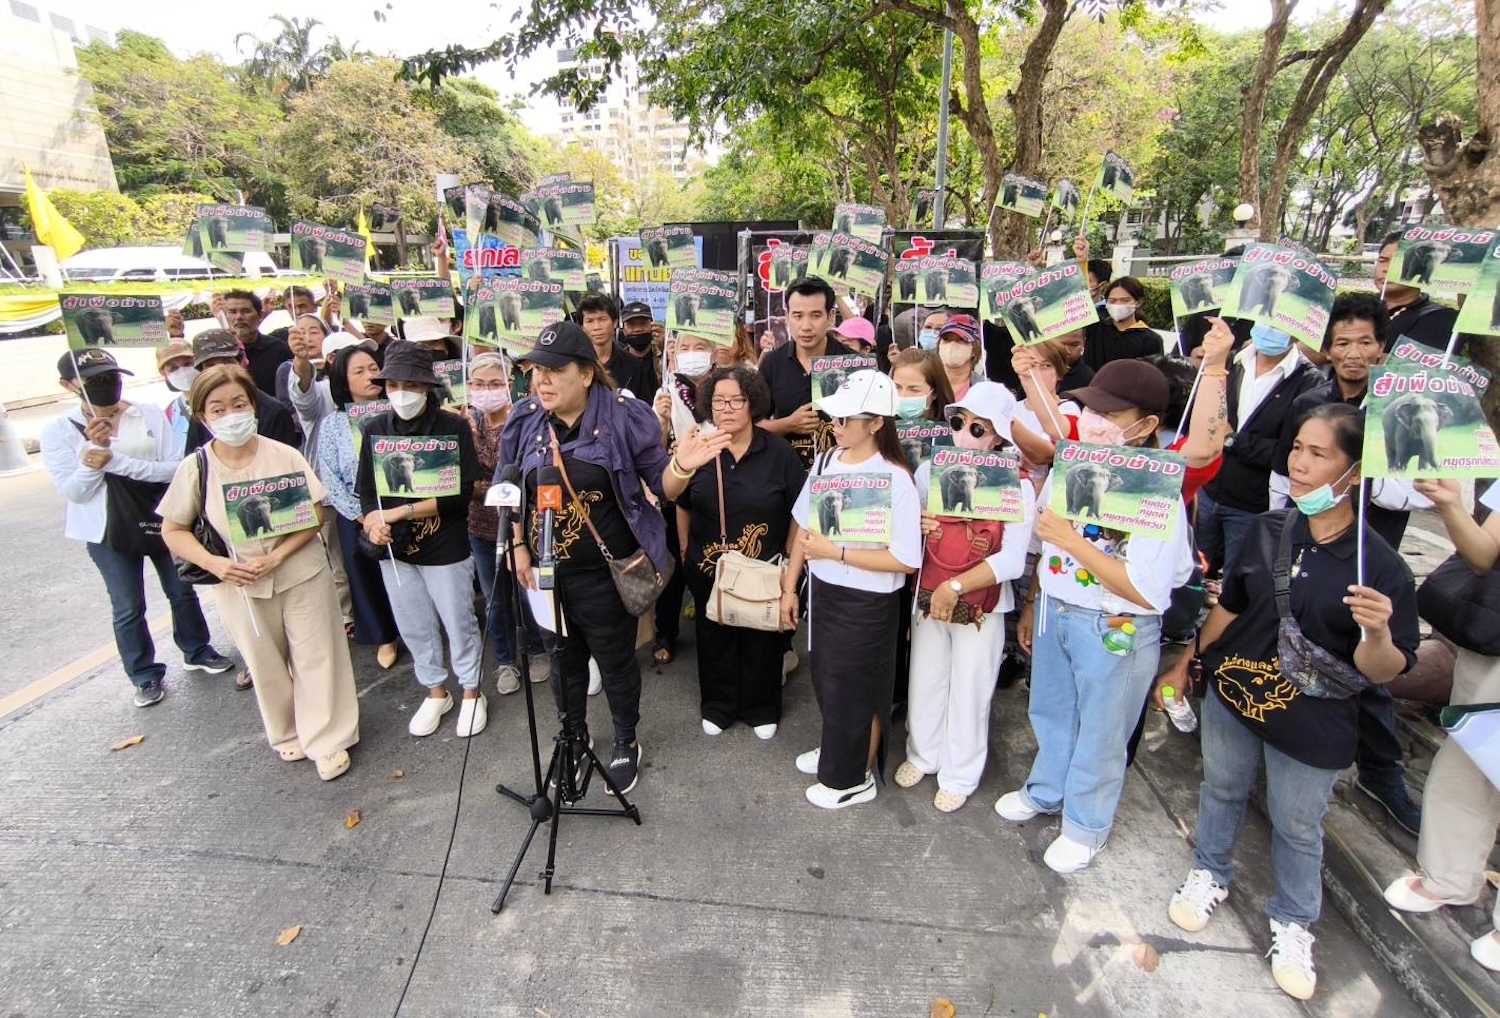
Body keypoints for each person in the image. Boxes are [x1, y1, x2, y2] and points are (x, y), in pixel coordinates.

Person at [1162, 404, 1419, 1001]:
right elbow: (1230, 608)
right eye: (1297, 448)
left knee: (1299, 824)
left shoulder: (1379, 566)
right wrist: (1185, 662)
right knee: (1221, 787)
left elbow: (1383, 670)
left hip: (1314, 719)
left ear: (1353, 472)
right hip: (1235, 693)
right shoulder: (1268, 529)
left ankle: (1294, 921)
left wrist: (1377, 632)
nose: (1299, 465)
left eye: (1318, 454)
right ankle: (1209, 871)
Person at [998, 359, 1195, 872]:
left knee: (1103, 731)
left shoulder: (1157, 492)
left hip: (1114, 626)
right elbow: (1047, 546)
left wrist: (1071, 543)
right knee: (1052, 712)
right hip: (1058, 610)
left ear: (1147, 424)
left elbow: (1148, 591)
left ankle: (1087, 825)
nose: (1094, 421)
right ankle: (1047, 790)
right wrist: (1035, 601)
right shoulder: (1075, 467)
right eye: (1088, 409)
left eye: (1111, 413)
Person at [158, 364, 358, 779]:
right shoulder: (196, 468)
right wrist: (216, 564)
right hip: (240, 584)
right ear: (202, 416)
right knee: (265, 662)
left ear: (252, 406)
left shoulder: (283, 454)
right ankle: (287, 734)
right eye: (218, 408)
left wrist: (279, 554)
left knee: (318, 655)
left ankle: (329, 737)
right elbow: (174, 529)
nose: (231, 415)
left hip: (301, 572)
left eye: (238, 404)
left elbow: (314, 513)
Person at [502, 322, 671, 795]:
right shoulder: (526, 419)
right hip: (547, 575)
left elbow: (662, 483)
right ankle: (573, 738)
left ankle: (624, 741)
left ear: (587, 374)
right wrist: (518, 544)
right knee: (563, 663)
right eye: (538, 370)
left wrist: (683, 463)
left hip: (605, 574)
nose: (543, 380)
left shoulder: (623, 416)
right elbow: (512, 490)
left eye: (555, 370)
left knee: (615, 662)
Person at [40, 348, 235, 706]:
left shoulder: (144, 414)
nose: (107, 385)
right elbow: (73, 491)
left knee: (182, 589)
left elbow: (173, 467)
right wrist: (91, 460)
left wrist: (117, 461)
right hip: (106, 530)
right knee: (128, 604)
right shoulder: (58, 431)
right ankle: (144, 674)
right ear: (70, 386)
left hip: (158, 517)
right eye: (94, 380)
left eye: (112, 376)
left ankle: (197, 649)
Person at [783, 369, 923, 809]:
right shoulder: (826, 462)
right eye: (835, 419)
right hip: (825, 595)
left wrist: (837, 553)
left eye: (847, 419)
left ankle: (852, 777)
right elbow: (803, 528)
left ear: (877, 423)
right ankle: (837, 750)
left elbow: (905, 558)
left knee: (858, 689)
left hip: (870, 602)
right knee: (827, 680)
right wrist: (791, 587)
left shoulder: (896, 478)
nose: (837, 426)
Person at [897, 382, 1034, 811]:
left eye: (978, 428)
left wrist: (957, 586)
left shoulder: (1019, 485)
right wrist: (915, 526)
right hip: (928, 595)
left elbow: (1014, 559)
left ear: (998, 436)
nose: (964, 434)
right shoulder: (927, 472)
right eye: (958, 423)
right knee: (925, 677)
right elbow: (906, 537)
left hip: (981, 603)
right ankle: (923, 752)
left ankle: (961, 772)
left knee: (971, 689)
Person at [1383, 477, 1500, 972]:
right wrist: (1451, 503)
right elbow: (1483, 554)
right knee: (1471, 754)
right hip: (1494, 644)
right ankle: (1448, 876)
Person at [663, 366, 805, 738]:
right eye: (718, 401)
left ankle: (762, 707)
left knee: (762, 637)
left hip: (764, 567)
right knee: (714, 636)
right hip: (708, 564)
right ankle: (718, 704)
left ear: (752, 403)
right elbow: (675, 497)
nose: (726, 408)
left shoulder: (779, 453)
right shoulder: (700, 447)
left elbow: (799, 512)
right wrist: (683, 547)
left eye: (736, 400)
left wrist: (790, 557)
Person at [356, 341, 486, 740]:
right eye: (393, 384)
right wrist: (373, 522)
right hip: (395, 551)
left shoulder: (453, 426)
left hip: (445, 544)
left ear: (427, 387)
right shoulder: (375, 429)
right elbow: (366, 492)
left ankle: (471, 690)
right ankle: (434, 691)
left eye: (410, 385)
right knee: (414, 624)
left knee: (458, 619)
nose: (401, 393)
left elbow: (460, 493)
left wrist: (396, 513)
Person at [1195, 322, 1319, 578]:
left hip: (1253, 504)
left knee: (1238, 580)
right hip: (1207, 491)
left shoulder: (1308, 382)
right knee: (1193, 570)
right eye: (1267, 320)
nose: (1271, 329)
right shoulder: (1228, 362)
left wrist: (1233, 439)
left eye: (1280, 323)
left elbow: (1287, 452)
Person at [315, 344, 401, 670]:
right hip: (358, 515)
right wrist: (364, 517)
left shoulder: (398, 410)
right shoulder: (334, 424)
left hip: (401, 508)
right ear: (343, 380)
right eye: (359, 371)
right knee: (365, 575)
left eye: (372, 368)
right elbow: (331, 479)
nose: (370, 376)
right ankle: (384, 636)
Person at [465, 351, 547, 694]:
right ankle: (504, 660)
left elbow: (516, 477)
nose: (488, 390)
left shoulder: (523, 422)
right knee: (495, 597)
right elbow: (461, 483)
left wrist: (485, 486)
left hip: (521, 527)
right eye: (480, 384)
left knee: (529, 592)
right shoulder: (465, 424)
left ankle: (538, 650)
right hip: (482, 528)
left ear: (509, 385)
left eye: (496, 383)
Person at [651, 332, 720, 665]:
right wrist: (661, 419)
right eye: (685, 348)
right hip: (678, 487)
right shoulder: (666, 393)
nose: (693, 354)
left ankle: (720, 620)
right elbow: (655, 449)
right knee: (673, 566)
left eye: (700, 347)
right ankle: (666, 630)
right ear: (673, 354)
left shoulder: (726, 387)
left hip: (718, 486)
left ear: (713, 351)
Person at [758, 277, 857, 469]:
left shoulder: (852, 363)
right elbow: (751, 425)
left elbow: (874, 426)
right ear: (787, 317)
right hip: (785, 473)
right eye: (798, 316)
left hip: (841, 474)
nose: (806, 326)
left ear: (830, 316)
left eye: (815, 315)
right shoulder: (772, 363)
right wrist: (787, 424)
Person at [183, 330, 300, 452]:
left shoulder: (274, 413)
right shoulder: (200, 415)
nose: (221, 371)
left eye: (227, 362)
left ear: (241, 362)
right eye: (211, 365)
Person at [1373, 231, 1461, 354]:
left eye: (1398, 262)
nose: (1386, 269)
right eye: (1383, 260)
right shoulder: (1354, 307)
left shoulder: (1440, 318)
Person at [577, 294, 657, 398]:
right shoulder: (575, 364)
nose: (597, 327)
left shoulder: (633, 366)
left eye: (602, 319)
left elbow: (644, 408)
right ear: (582, 326)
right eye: (590, 321)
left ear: (614, 322)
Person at [220, 289, 293, 395]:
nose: (239, 317)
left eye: (246, 311)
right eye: (232, 312)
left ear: (259, 315)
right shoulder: (219, 353)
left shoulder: (278, 349)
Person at [1082, 277, 1162, 371]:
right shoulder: (1095, 328)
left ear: (1138, 302)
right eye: (1112, 300)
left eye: (1125, 300)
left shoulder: (1151, 340)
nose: (1118, 305)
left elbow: (1153, 376)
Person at [890, 347, 955, 423]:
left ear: (934, 392)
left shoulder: (955, 428)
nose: (903, 395)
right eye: (897, 387)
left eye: (914, 390)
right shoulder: (878, 426)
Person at [156, 339, 198, 455]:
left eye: (187, 364)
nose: (183, 372)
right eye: (173, 368)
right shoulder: (169, 414)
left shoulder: (223, 398)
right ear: (163, 373)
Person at [933, 314, 984, 401]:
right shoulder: (925, 381)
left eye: (961, 340)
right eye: (946, 339)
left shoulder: (985, 388)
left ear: (974, 350)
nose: (952, 345)